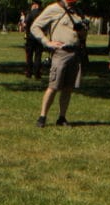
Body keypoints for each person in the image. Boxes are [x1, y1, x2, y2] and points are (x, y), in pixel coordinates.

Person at [31, 0, 89, 128]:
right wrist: (47, 42)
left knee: (68, 88)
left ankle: (62, 117)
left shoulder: (77, 11)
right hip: (60, 53)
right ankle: (42, 117)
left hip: (75, 53)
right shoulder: (53, 8)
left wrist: (82, 31)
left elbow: (82, 35)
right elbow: (34, 27)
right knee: (53, 86)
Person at [24, 2, 44, 79]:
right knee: (38, 56)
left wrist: (27, 33)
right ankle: (37, 73)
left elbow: (27, 23)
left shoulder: (30, 13)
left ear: (35, 5)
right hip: (39, 37)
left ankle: (29, 72)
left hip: (30, 37)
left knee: (29, 56)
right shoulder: (42, 13)